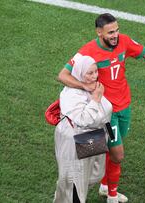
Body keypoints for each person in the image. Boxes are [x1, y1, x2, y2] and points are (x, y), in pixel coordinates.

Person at [57, 13, 145, 203]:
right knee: (116, 154)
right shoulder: (87, 52)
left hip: (124, 107)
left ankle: (102, 185)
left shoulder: (123, 42)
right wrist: (85, 86)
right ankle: (110, 196)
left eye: (117, 30)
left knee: (104, 152)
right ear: (99, 32)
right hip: (107, 116)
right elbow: (63, 75)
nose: (115, 35)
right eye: (110, 32)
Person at [53, 55, 113, 203]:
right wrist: (96, 99)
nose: (94, 76)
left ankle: (63, 196)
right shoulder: (71, 94)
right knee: (74, 182)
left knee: (95, 175)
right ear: (79, 72)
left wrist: (110, 134)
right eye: (89, 73)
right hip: (73, 139)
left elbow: (106, 112)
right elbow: (83, 120)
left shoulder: (95, 88)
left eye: (95, 72)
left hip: (93, 137)